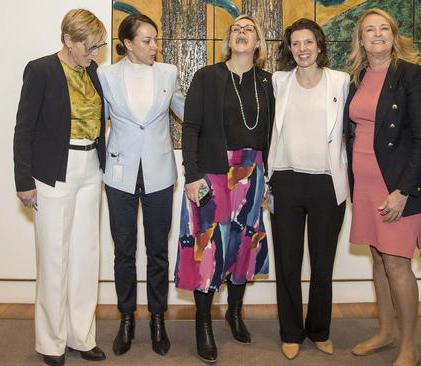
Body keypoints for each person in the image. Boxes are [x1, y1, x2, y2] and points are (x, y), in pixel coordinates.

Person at [174, 14, 274, 363]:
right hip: (212, 173)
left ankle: (234, 312)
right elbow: (190, 128)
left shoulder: (267, 82)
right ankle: (203, 324)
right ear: (228, 40)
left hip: (253, 172)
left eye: (249, 29)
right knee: (208, 248)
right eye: (236, 29)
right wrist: (191, 175)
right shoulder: (207, 77)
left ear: (258, 42)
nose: (241, 33)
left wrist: (268, 180)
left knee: (244, 244)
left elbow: (273, 135)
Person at [13, 8, 108, 366]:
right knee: (54, 257)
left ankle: (81, 336)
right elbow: (23, 129)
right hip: (54, 170)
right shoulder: (40, 70)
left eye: (97, 46)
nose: (94, 53)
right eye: (89, 46)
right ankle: (51, 342)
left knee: (86, 255)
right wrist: (24, 180)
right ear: (68, 40)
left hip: (90, 167)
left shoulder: (94, 72)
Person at [344, 8, 421, 366]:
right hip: (364, 184)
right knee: (378, 259)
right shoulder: (357, 77)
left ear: (394, 36)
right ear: (361, 39)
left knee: (397, 264)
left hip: (398, 186)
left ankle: (409, 346)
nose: (377, 34)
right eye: (370, 30)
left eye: (384, 29)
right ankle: (384, 332)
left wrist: (403, 191)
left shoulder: (412, 75)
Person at [97, 13, 185, 357]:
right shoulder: (105, 75)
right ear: (128, 43)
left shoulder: (168, 73)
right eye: (146, 40)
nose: (154, 46)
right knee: (124, 251)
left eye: (155, 39)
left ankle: (158, 320)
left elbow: (187, 112)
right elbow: (96, 121)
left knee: (158, 251)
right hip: (119, 175)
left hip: (160, 173)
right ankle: (126, 319)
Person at [267, 18, 349, 360]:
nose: (302, 49)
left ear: (319, 45)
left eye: (308, 42)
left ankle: (319, 329)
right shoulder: (278, 81)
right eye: (296, 43)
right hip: (285, 180)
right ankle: (290, 331)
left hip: (326, 183)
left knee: (322, 263)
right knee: (287, 262)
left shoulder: (341, 81)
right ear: (290, 49)